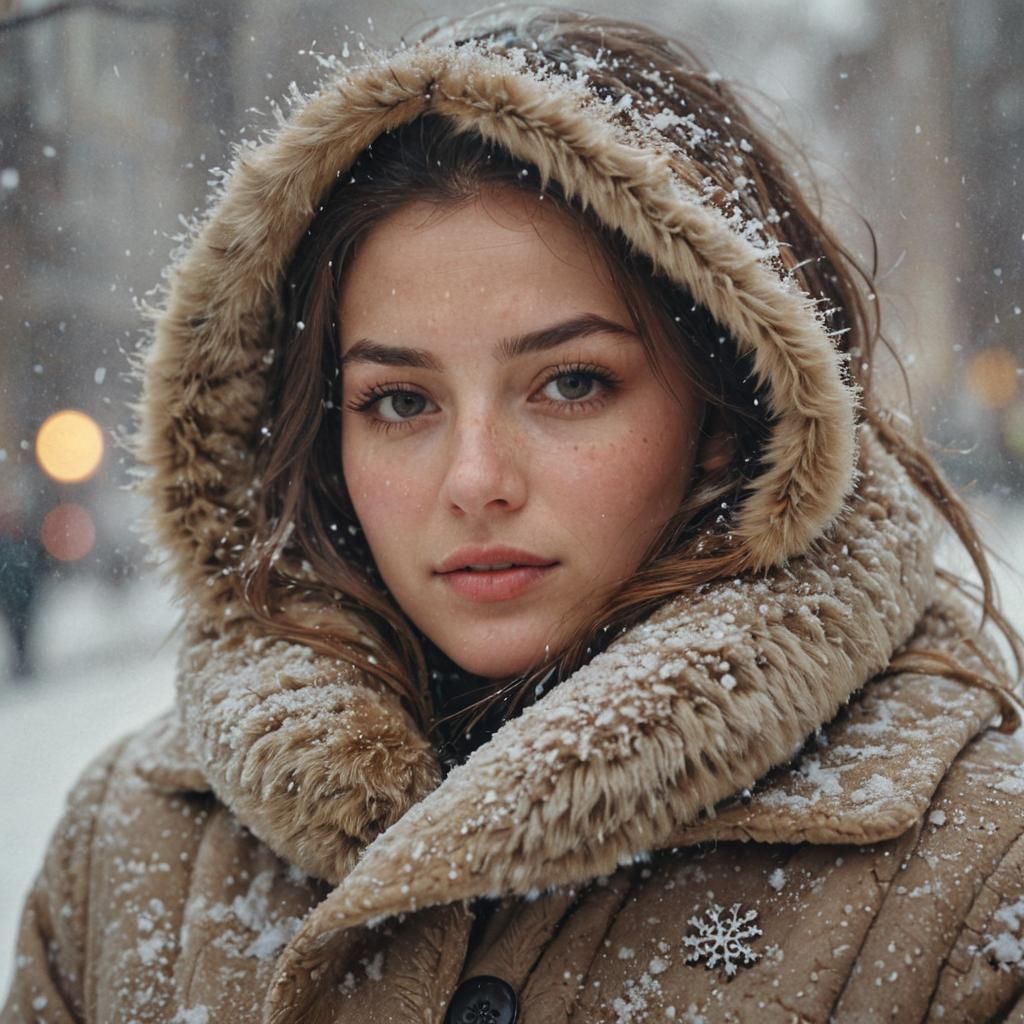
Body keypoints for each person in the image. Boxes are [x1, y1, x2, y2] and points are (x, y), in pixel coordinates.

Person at [4, 9, 1024, 1023]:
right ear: (323, 440)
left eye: (570, 384)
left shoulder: (974, 869)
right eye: (400, 402)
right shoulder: (132, 844)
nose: (476, 478)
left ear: (729, 412)